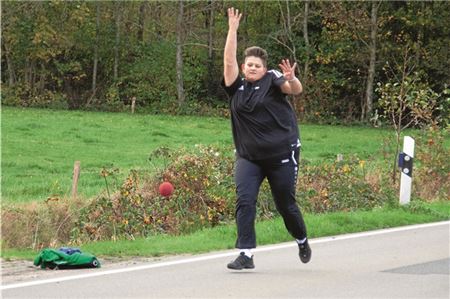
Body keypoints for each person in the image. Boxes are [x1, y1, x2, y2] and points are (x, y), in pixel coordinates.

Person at [221, 7, 311, 270]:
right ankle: (246, 254)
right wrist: (232, 30)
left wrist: (292, 79)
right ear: (243, 67)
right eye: (249, 64)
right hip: (249, 157)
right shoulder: (235, 87)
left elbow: (294, 89)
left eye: (257, 65)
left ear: (264, 68)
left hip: (282, 154)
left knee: (285, 204)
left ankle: (302, 239)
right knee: (245, 199)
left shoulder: (272, 80)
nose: (252, 68)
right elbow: (227, 62)